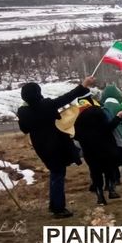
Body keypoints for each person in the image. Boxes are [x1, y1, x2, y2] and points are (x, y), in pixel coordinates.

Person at [17, 76, 95, 218]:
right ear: (38, 93)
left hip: (41, 147)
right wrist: (83, 85)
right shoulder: (45, 105)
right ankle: (58, 209)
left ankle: (54, 206)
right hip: (55, 145)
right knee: (58, 175)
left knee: (55, 174)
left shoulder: (23, 112)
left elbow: (24, 129)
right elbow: (67, 97)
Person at [75, 94, 122, 205]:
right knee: (110, 168)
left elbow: (76, 136)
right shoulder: (98, 112)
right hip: (106, 147)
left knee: (95, 172)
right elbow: (108, 128)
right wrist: (118, 117)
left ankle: (100, 197)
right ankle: (111, 190)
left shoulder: (77, 117)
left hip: (89, 150)